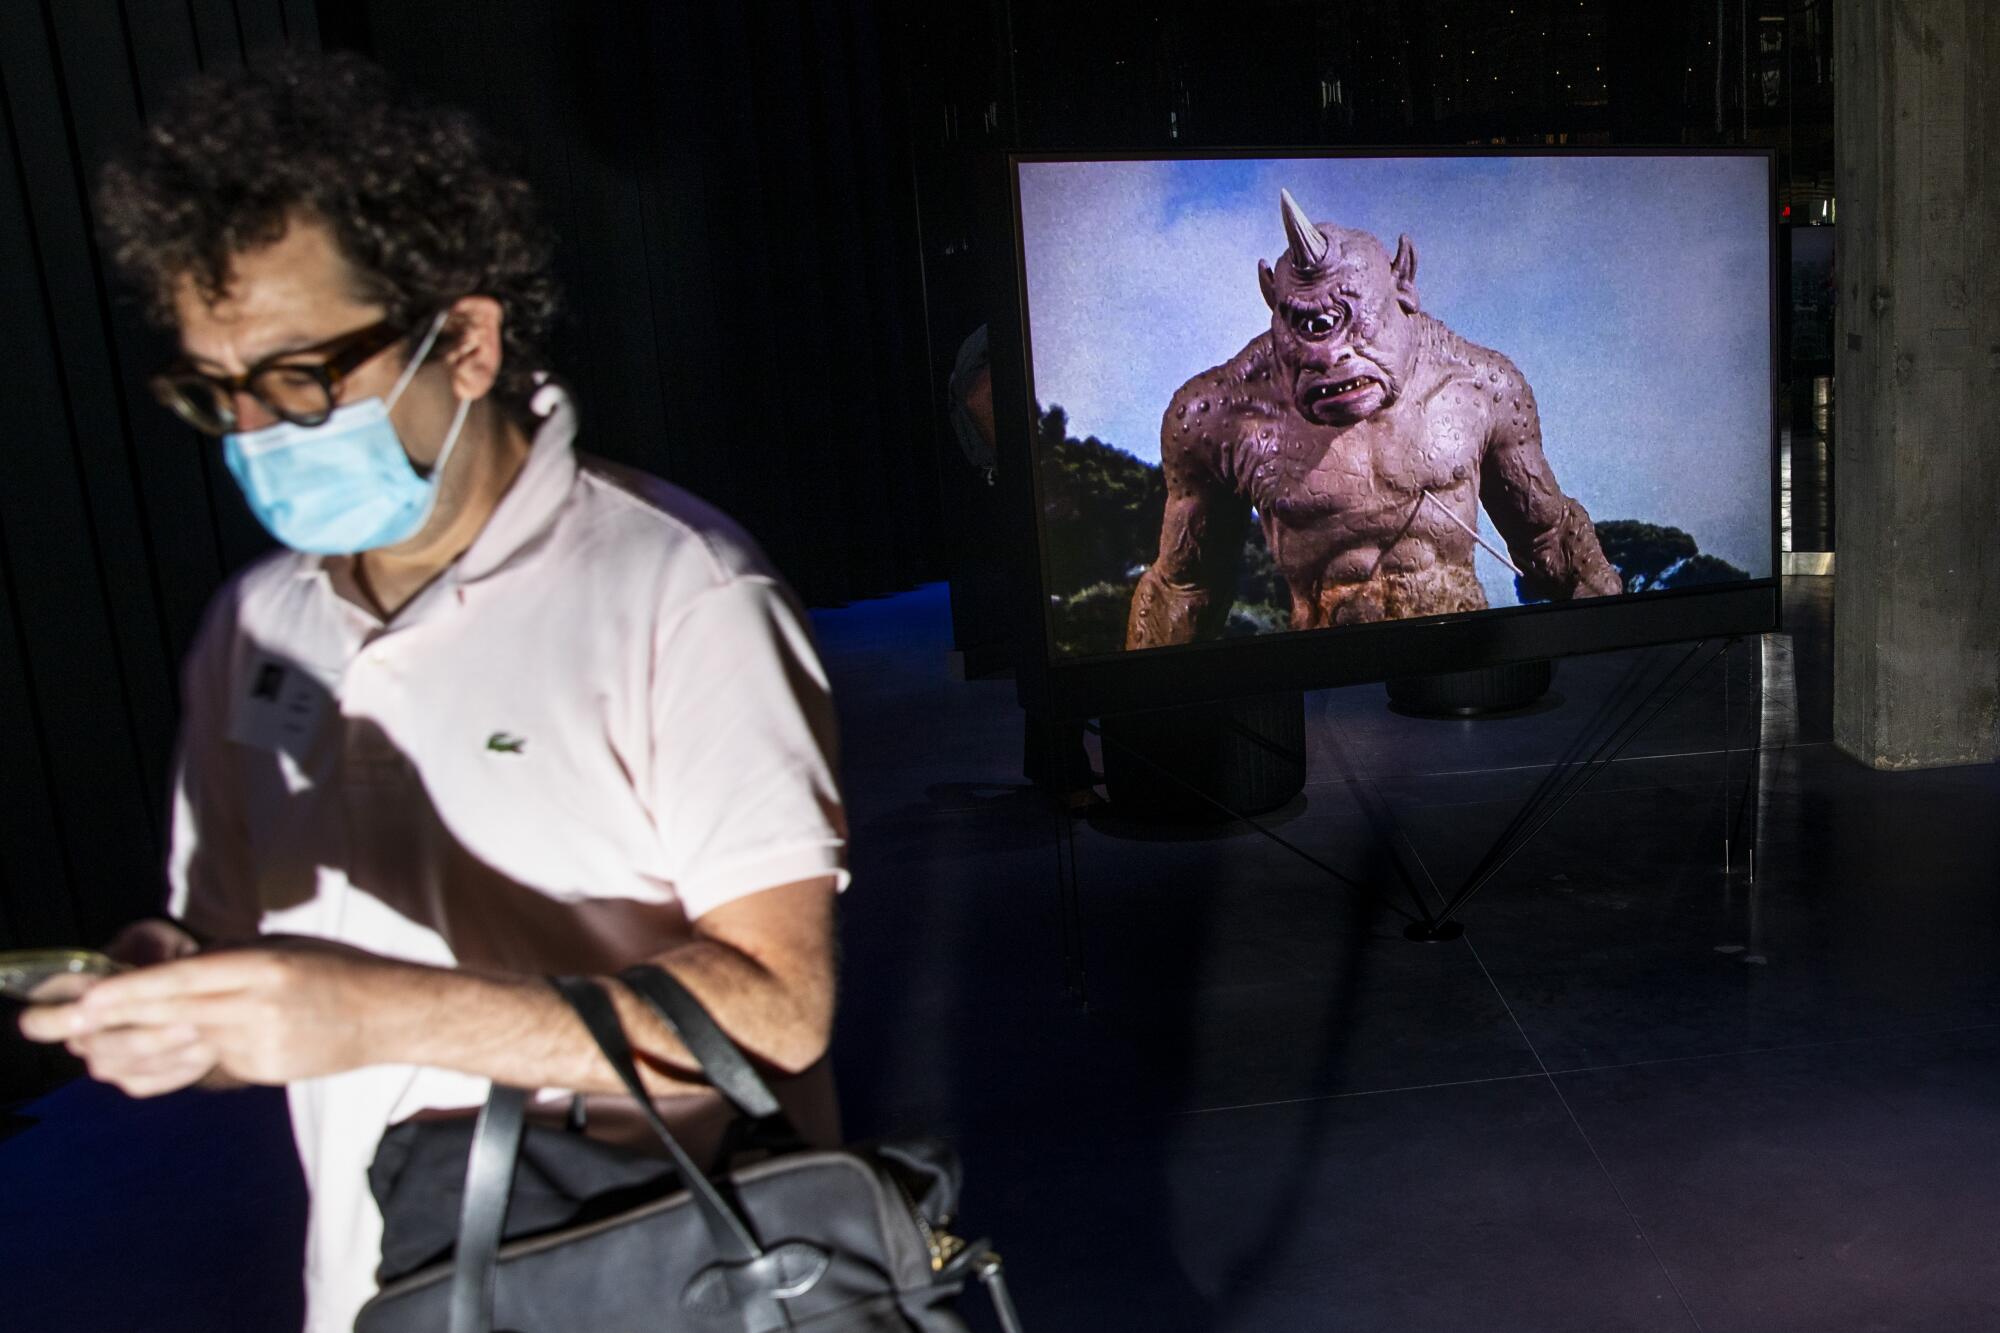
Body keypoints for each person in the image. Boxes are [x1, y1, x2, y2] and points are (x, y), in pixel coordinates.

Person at [19, 53, 847, 1332]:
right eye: (218, 390)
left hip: (661, 1274)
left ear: (463, 341)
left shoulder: (680, 594)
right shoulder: (256, 628)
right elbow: (253, 959)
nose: (258, 432)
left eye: (301, 377)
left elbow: (778, 1014)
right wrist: (180, 999)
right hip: (379, 1295)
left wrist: (373, 1014)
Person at [1127, 188, 1621, 648]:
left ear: (1403, 282)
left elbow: (1548, 540)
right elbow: (1184, 587)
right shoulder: (1221, 416)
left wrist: (1615, 631)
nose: (1327, 357)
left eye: (1349, 325)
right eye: (1302, 325)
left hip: (1463, 664)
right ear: (1272, 302)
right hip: (1329, 684)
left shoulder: (1481, 386)